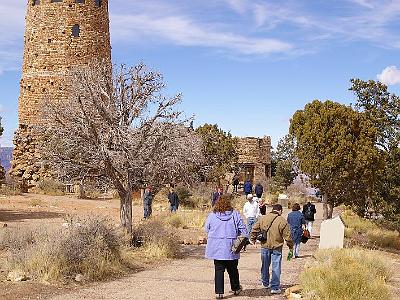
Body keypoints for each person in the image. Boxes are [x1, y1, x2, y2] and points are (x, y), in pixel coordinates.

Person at [205, 194, 247, 299]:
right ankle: (236, 288)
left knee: (219, 270)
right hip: (231, 247)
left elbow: (206, 229)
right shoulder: (235, 215)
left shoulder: (212, 215)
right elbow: (244, 231)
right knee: (233, 269)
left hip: (217, 248)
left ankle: (219, 292)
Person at [250, 204, 293, 295]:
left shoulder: (263, 218)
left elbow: (254, 229)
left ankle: (265, 283)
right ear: (280, 211)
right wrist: (290, 247)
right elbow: (288, 237)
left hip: (265, 246)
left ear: (272, 209)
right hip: (277, 247)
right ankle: (275, 287)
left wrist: (253, 239)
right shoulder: (282, 221)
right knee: (276, 266)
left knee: (265, 265)